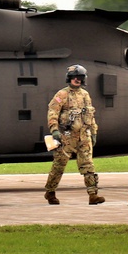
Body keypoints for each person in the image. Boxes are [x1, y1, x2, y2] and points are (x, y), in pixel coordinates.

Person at [44, 64, 104, 205]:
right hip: (67, 136)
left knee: (88, 165)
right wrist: (54, 130)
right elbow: (52, 112)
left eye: (80, 78)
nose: (77, 80)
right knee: (59, 165)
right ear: (69, 78)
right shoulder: (62, 95)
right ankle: (50, 192)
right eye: (75, 78)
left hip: (84, 135)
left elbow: (90, 114)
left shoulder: (85, 95)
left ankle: (93, 194)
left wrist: (94, 131)